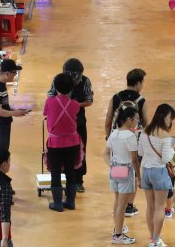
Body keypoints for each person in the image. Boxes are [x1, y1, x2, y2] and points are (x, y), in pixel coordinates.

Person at [104, 68, 148, 218]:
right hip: (134, 139)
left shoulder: (115, 97)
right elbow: (146, 124)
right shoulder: (141, 100)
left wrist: (109, 137)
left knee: (118, 167)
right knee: (134, 172)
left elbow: (108, 121)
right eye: (142, 82)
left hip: (117, 138)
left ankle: (119, 203)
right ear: (138, 83)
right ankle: (129, 205)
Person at [48, 58, 93, 193]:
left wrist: (73, 106)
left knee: (81, 150)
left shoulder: (85, 81)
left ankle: (78, 181)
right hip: (61, 123)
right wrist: (64, 107)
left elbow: (89, 100)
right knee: (62, 152)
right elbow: (50, 95)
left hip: (78, 121)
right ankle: (63, 180)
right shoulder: (58, 80)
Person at [137, 104, 175, 247]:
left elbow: (140, 152)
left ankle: (153, 238)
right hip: (159, 172)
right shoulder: (166, 137)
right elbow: (167, 158)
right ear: (164, 116)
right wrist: (173, 147)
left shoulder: (144, 132)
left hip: (146, 171)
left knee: (150, 207)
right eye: (170, 118)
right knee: (160, 208)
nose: (170, 121)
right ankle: (155, 241)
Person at [43, 73, 81, 211]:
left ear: (55, 86)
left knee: (55, 172)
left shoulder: (50, 101)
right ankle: (70, 202)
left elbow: (46, 114)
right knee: (71, 171)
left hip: (55, 143)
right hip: (72, 142)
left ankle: (57, 203)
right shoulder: (75, 104)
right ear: (71, 88)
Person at [104, 105, 141, 244]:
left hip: (115, 170)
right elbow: (134, 159)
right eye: (136, 119)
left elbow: (106, 154)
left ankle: (117, 228)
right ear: (129, 120)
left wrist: (113, 165)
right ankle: (118, 236)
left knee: (117, 201)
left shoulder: (114, 133)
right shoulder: (130, 136)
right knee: (122, 205)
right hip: (126, 171)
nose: (138, 121)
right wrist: (139, 176)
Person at [0, 59, 29, 153]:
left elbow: (3, 106)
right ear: (7, 73)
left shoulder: (1, 85)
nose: (15, 75)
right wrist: (15, 113)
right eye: (14, 73)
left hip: (3, 125)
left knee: (3, 152)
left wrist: (16, 110)